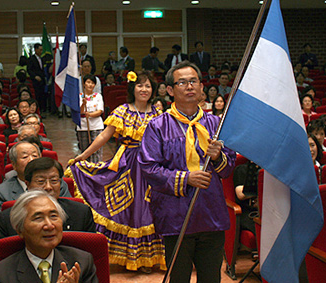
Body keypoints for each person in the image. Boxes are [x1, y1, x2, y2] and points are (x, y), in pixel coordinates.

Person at [138, 61, 236, 282]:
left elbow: (228, 168)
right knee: (179, 278)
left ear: (201, 87)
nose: (189, 86)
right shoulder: (157, 126)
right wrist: (185, 178)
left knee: (211, 277)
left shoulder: (216, 124)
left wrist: (217, 157)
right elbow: (148, 168)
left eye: (194, 81)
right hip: (176, 217)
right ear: (171, 90)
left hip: (211, 214)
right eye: (182, 82)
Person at [69, 70, 165, 272]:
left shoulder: (158, 114)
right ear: (133, 88)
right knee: (128, 209)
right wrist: (83, 156)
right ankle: (130, 256)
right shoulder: (122, 110)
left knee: (148, 209)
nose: (144, 89)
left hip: (151, 167)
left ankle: (146, 258)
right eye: (140, 85)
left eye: (148, 86)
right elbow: (104, 136)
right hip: (127, 166)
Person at [0, 158, 96, 261]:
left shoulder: (80, 212)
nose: (48, 187)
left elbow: (93, 254)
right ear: (27, 185)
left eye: (54, 181)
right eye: (41, 181)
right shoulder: (9, 216)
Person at [0, 190, 98, 283]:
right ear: (20, 230)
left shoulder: (81, 263)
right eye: (38, 218)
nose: (49, 225)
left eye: (53, 216)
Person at [0, 141, 42, 222]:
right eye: (25, 157)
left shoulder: (57, 185)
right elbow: (1, 225)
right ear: (14, 165)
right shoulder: (1, 192)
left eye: (35, 156)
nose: (31, 160)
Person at [77, 74, 104, 163]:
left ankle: (95, 168)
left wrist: (90, 115)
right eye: (88, 82)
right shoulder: (79, 96)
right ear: (84, 84)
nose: (90, 85)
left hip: (96, 125)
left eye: (92, 83)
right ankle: (86, 169)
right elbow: (79, 111)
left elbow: (100, 111)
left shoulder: (98, 96)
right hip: (83, 126)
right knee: (84, 150)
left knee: (96, 149)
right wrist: (83, 104)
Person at [28, 43, 47, 115]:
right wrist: (35, 76)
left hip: (42, 81)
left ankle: (43, 110)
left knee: (43, 96)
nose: (41, 51)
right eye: (40, 50)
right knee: (37, 96)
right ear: (36, 50)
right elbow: (29, 70)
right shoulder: (31, 59)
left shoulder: (42, 59)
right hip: (35, 81)